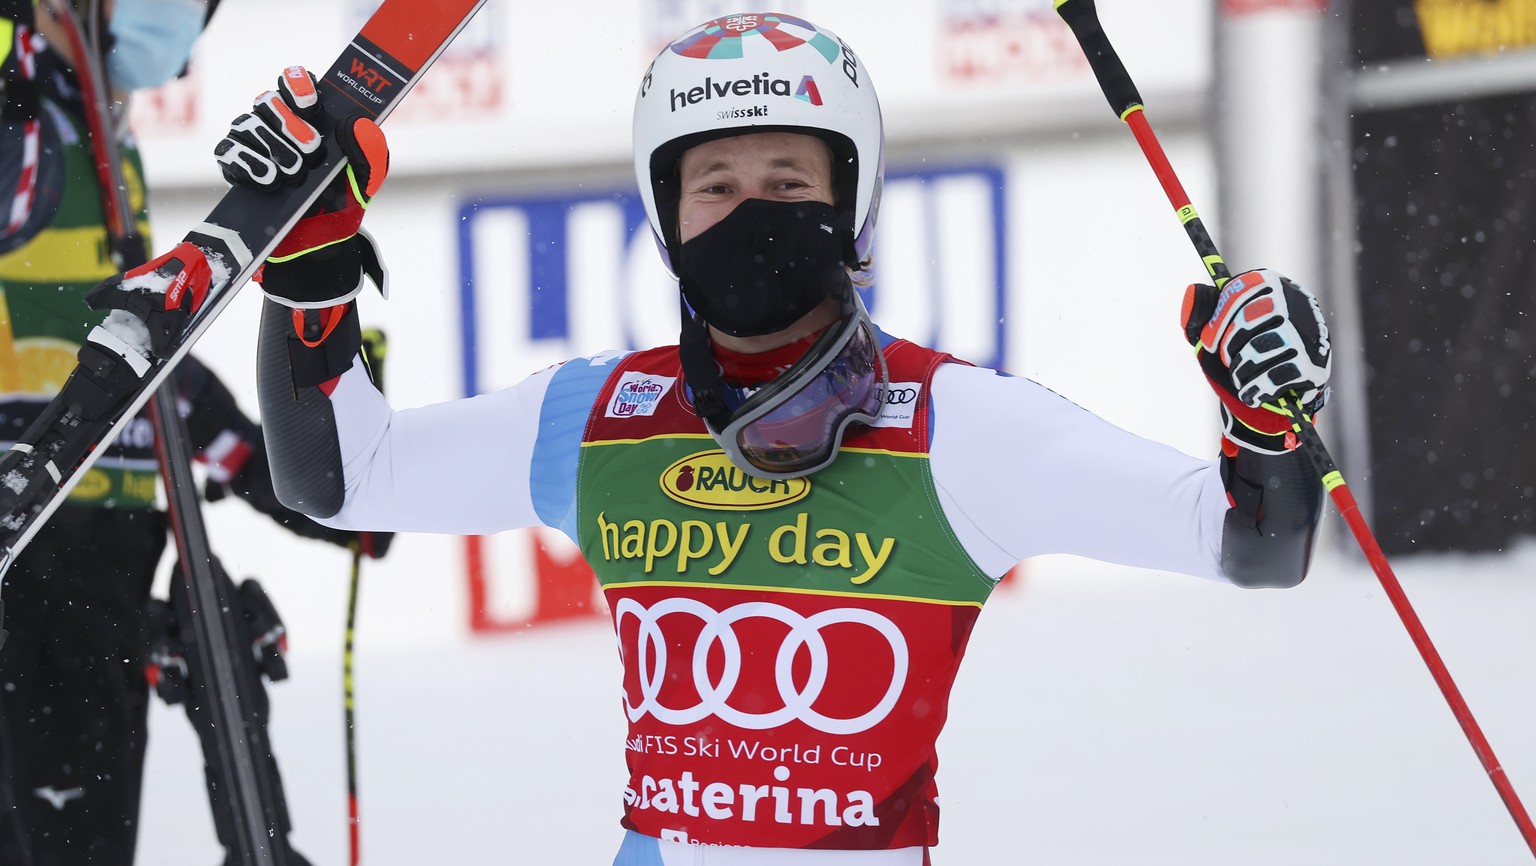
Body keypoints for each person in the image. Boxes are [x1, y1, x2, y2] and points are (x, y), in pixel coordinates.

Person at [208, 13, 1330, 864]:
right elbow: (338, 478)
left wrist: (1263, 414)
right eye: (717, 186)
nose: (752, 211)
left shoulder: (957, 428)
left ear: (851, 203)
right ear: (669, 217)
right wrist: (306, 269)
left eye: (789, 180)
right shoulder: (596, 419)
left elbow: (1254, 545)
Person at [0, 2, 385, 863]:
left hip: (106, 537)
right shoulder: (25, 115)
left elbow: (130, 351)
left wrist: (273, 471)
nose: (180, 21)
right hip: (36, 539)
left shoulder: (94, 125)